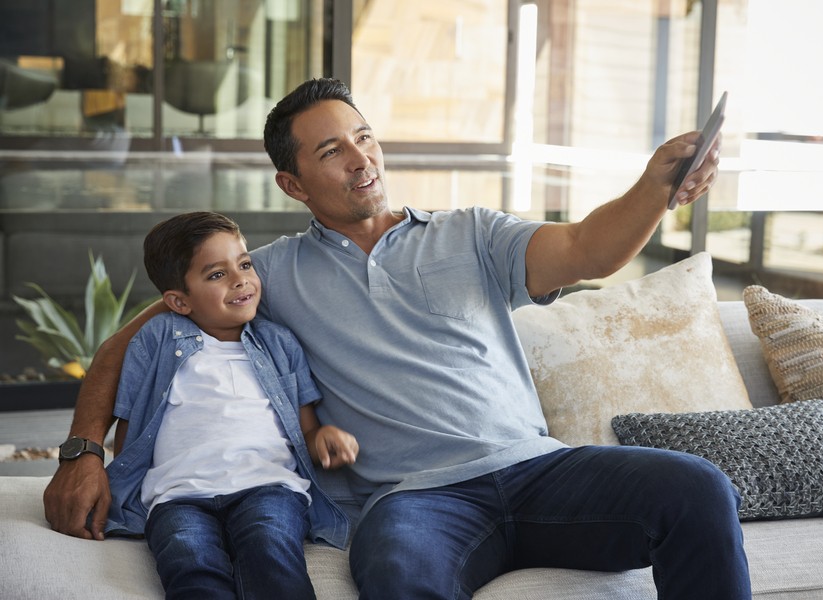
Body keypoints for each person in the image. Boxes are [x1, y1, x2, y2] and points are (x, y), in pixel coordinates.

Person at [45, 78, 750, 599]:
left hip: (538, 471)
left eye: (364, 137)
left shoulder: (472, 232)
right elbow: (130, 344)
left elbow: (590, 250)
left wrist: (656, 187)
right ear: (294, 184)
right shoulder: (270, 273)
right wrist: (82, 453)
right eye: (331, 150)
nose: (361, 158)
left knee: (696, 489)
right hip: (413, 501)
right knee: (393, 572)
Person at [102, 211, 357, 599]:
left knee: (271, 550)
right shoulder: (155, 338)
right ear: (179, 301)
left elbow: (306, 427)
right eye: (217, 274)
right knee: (189, 562)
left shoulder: (278, 343)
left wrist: (323, 436)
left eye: (244, 264)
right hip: (178, 494)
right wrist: (119, 486)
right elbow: (131, 425)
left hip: (267, 486)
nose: (241, 280)